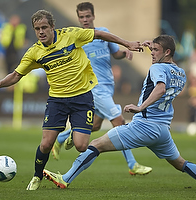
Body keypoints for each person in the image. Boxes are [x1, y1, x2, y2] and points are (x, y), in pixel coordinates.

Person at [43, 35, 196, 191]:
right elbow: (165, 77)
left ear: (167, 52)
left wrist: (140, 107)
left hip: (144, 125)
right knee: (180, 163)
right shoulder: (181, 72)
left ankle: (65, 178)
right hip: (162, 131)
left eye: (156, 50)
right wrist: (153, 45)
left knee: (95, 145)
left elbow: (160, 87)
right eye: (152, 49)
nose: (152, 53)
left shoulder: (158, 67)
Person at [0, 9, 143, 191]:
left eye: (44, 27)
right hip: (57, 101)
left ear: (53, 27)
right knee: (45, 144)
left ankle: (71, 134)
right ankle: (37, 176)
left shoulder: (71, 35)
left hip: (82, 97)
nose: (41, 32)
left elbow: (99, 33)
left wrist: (127, 43)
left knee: (82, 146)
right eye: (37, 29)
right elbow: (16, 75)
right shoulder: (35, 52)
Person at [51, 2, 152, 176]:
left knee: (95, 126)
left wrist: (124, 53)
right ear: (78, 18)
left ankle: (60, 138)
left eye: (87, 16)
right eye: (81, 17)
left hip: (108, 87)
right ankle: (132, 164)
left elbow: (115, 54)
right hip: (94, 89)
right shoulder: (77, 39)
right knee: (119, 122)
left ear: (93, 16)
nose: (84, 20)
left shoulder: (103, 33)